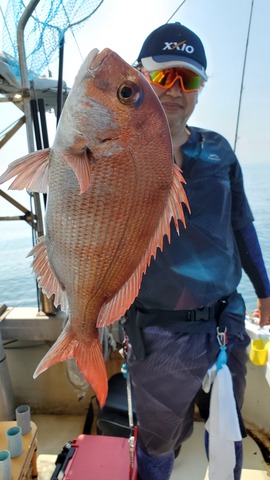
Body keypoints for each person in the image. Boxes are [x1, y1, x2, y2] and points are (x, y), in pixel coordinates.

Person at [123, 22, 270, 480]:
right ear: (140, 77)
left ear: (200, 88)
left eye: (187, 79)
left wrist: (265, 291)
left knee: (227, 428)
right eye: (163, 75)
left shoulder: (219, 151)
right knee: (159, 441)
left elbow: (242, 223)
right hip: (158, 333)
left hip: (226, 323)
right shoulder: (115, 156)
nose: (174, 89)